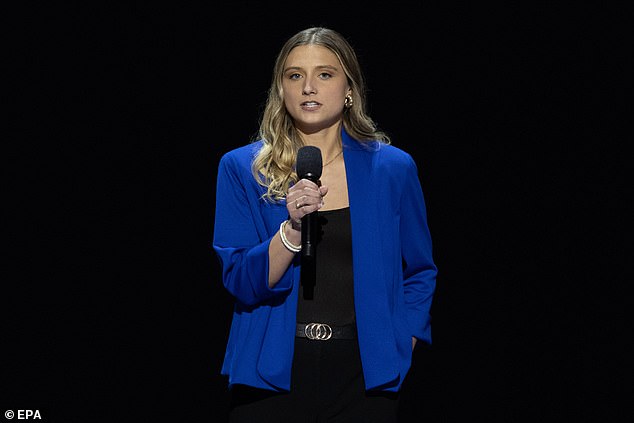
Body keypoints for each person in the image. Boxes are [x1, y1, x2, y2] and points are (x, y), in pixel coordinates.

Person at [212, 26, 437, 422]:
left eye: (325, 74)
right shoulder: (243, 168)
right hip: (271, 374)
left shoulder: (392, 169)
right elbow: (239, 280)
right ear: (281, 89)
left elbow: (419, 269)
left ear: (349, 88)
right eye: (295, 75)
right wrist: (292, 231)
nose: (309, 87)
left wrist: (406, 340)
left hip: (363, 377)